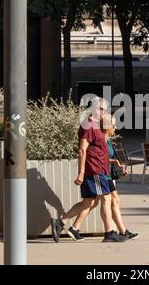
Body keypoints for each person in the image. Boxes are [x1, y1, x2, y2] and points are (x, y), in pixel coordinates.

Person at [51, 97, 127, 243]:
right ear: (96, 109)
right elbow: (82, 150)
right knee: (106, 198)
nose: (105, 113)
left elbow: (96, 150)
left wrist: (111, 161)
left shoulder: (96, 125)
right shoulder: (88, 125)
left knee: (87, 203)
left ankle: (59, 223)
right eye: (103, 109)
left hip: (99, 168)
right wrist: (81, 172)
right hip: (95, 169)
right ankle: (109, 233)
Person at [66, 114, 140, 241]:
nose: (115, 128)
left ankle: (74, 227)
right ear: (107, 126)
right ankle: (111, 232)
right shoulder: (99, 137)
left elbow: (105, 157)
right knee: (98, 201)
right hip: (100, 172)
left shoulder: (106, 139)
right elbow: (86, 152)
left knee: (99, 201)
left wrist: (116, 163)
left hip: (106, 172)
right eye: (113, 125)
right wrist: (81, 173)